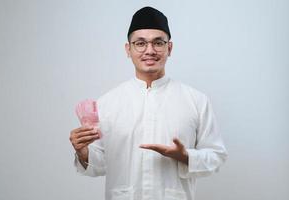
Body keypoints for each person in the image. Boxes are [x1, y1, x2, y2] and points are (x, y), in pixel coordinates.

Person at [70, 6, 228, 200]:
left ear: (169, 48)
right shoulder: (108, 103)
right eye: (140, 43)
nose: (150, 50)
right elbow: (100, 164)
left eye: (158, 43)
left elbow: (216, 157)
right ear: (128, 49)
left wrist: (186, 156)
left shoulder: (196, 100)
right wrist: (83, 152)